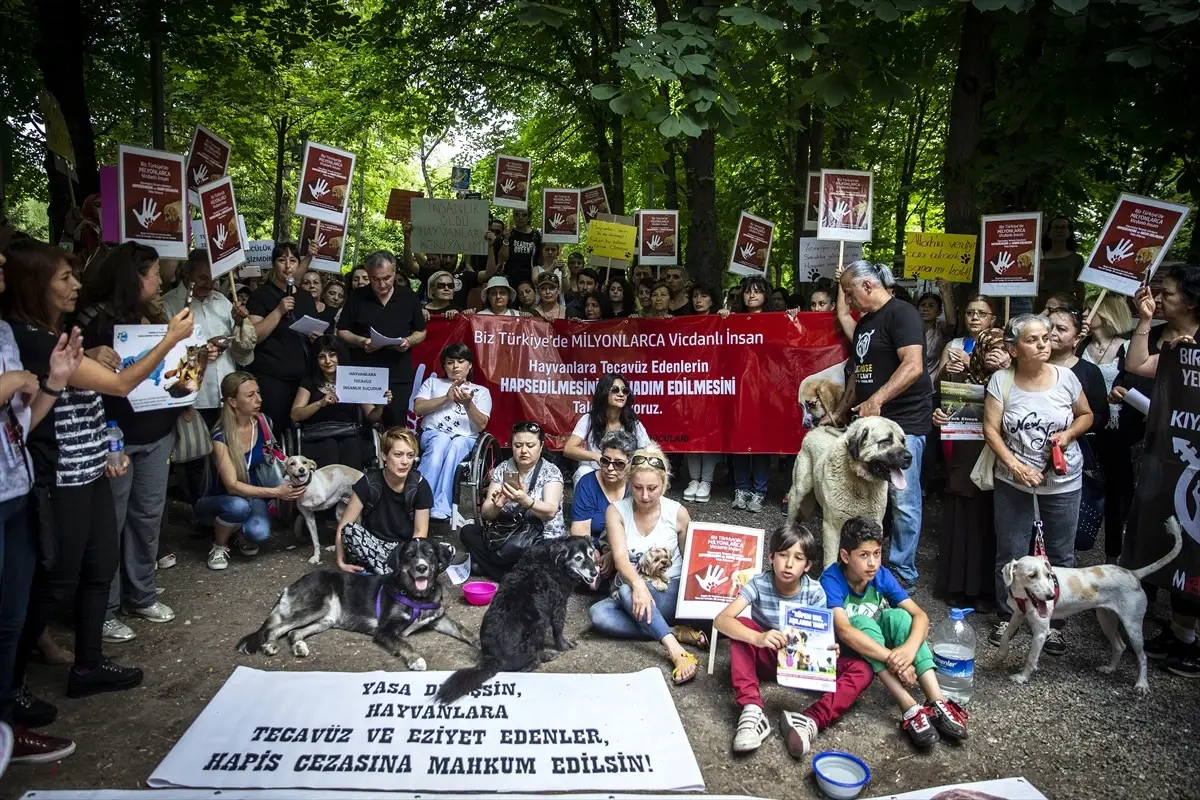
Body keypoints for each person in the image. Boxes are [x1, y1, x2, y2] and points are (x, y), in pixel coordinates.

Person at [2, 240, 193, 707]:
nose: (76, 285)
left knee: (98, 564)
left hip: (93, 465)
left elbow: (89, 400)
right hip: (58, 476)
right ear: (36, 285)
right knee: (57, 581)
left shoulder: (59, 331)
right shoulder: (29, 338)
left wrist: (109, 444)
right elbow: (120, 385)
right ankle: (13, 686)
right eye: (64, 278)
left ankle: (88, 663)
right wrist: (169, 339)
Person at [74, 243, 185, 643]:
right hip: (114, 439)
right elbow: (73, 376)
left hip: (157, 433)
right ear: (134, 276)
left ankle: (142, 594)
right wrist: (87, 352)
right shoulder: (93, 320)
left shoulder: (156, 316)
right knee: (109, 527)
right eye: (154, 273)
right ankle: (103, 609)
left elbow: (172, 369)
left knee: (147, 518)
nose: (160, 280)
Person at [0, 247, 84, 762]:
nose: (3, 265)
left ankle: (6, 727)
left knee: (11, 621)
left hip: (15, 488)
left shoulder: (5, 334)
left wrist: (54, 380)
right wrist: (8, 383)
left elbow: (20, 428)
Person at [714, 523, 874, 756]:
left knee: (862, 669)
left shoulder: (815, 591)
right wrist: (758, 637)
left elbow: (823, 636)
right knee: (742, 626)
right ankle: (752, 709)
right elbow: (721, 620)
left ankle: (810, 720)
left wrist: (829, 650)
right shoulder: (759, 584)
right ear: (771, 557)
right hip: (768, 657)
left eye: (798, 558)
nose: (789, 564)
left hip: (805, 665)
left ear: (807, 565)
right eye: (783, 555)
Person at [983, 314, 1092, 653]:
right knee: (1011, 552)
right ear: (1013, 349)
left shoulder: (1067, 378)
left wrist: (1068, 434)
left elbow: (1086, 415)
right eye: (1033, 340)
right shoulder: (1001, 380)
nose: (1044, 344)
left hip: (1062, 480)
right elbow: (991, 429)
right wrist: (1015, 467)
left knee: (1060, 552)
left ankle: (1054, 623)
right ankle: (1009, 614)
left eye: (1046, 337)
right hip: (1014, 481)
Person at [826, 261, 933, 588]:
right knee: (866, 496)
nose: (848, 299)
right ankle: (863, 563)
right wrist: (843, 409)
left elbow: (913, 366)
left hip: (904, 424)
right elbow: (862, 373)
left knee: (903, 500)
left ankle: (902, 573)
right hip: (870, 425)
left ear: (868, 286)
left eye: (849, 292)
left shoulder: (902, 314)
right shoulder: (865, 325)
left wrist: (878, 401)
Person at [822, 517, 969, 747]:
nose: (872, 563)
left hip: (876, 647)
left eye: (877, 553)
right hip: (848, 652)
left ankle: (937, 701)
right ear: (845, 556)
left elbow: (920, 616)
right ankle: (909, 707)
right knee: (861, 622)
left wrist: (908, 653)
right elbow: (845, 630)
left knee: (900, 617)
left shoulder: (880, 575)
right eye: (864, 555)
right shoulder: (831, 578)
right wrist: (895, 659)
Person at [1119, 265, 1200, 676]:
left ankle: (1191, 643)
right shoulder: (1174, 340)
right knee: (1171, 540)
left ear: (1190, 299)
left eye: (1166, 293)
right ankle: (1179, 633)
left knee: (1196, 549)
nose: (1159, 297)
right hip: (1169, 465)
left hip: (1196, 472)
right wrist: (1146, 320)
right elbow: (1137, 363)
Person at [587, 446, 706, 684]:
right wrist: (639, 586)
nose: (644, 495)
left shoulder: (678, 513)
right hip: (633, 594)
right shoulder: (616, 511)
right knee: (598, 614)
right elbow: (620, 558)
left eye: (652, 488)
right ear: (629, 482)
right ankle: (673, 631)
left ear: (664, 484)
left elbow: (694, 560)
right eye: (637, 487)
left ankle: (674, 650)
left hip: (668, 592)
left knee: (626, 591)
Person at [932, 296, 1006, 612]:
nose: (992, 354)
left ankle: (987, 589)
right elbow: (943, 400)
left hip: (997, 453)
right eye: (970, 311)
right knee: (961, 513)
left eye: (998, 350)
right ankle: (957, 584)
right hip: (964, 451)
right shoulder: (959, 370)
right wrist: (941, 416)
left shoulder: (1010, 378)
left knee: (989, 519)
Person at [198, 372, 306, 570]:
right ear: (232, 401)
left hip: (253, 495)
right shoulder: (220, 436)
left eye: (258, 393)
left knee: (259, 533)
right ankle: (219, 545)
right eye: (250, 395)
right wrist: (277, 492)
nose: (259, 399)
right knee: (237, 507)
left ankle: (238, 531)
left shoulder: (264, 423)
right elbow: (231, 486)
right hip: (220, 499)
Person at [459, 421, 566, 580]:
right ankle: (513, 575)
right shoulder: (503, 469)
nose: (524, 451)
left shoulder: (550, 471)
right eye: (518, 445)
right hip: (508, 535)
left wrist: (525, 500)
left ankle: (496, 571)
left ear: (541, 446)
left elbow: (551, 511)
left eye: (530, 445)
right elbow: (487, 514)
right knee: (468, 532)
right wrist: (496, 506)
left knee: (543, 552)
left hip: (541, 537)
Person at [336, 250, 427, 429]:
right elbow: (342, 331)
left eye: (387, 278)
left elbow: (421, 332)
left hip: (398, 371)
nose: (382, 284)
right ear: (369, 276)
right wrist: (362, 342)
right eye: (375, 279)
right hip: (365, 371)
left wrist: (408, 341)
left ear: (394, 273)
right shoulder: (357, 296)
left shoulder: (408, 297)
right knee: (363, 423)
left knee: (396, 422)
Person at [1077, 292, 1131, 563]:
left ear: (1108, 313)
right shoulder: (1080, 346)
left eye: (1091, 310)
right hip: (1084, 427)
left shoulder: (1127, 347)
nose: (1086, 314)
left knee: (1114, 492)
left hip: (1116, 429)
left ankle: (1113, 555)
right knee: (1084, 486)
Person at [335, 428, 433, 574]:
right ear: (384, 456)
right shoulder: (368, 482)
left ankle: (385, 573)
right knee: (350, 530)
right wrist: (340, 562)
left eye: (410, 455)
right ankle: (398, 576)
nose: (405, 461)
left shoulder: (420, 485)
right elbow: (343, 527)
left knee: (447, 550)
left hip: (404, 549)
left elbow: (420, 532)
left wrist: (410, 559)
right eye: (398, 455)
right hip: (372, 545)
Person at [413, 343, 492, 522]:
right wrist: (445, 398)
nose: (455, 366)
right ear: (444, 366)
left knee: (455, 445)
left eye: (460, 361)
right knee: (441, 441)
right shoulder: (433, 383)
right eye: (450, 362)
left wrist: (468, 404)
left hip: (465, 439)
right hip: (434, 434)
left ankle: (441, 506)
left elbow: (481, 425)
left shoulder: (481, 392)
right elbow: (418, 408)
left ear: (470, 365)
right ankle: (420, 501)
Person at [246, 242, 319, 434]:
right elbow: (253, 336)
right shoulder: (260, 295)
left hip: (303, 379)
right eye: (281, 260)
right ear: (273, 264)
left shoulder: (305, 297)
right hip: (272, 377)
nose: (288, 266)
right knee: (273, 430)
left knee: (301, 431)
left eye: (293, 260)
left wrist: (315, 338)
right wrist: (278, 311)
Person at [719, 275, 776, 512]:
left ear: (766, 295)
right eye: (747, 291)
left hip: (766, 391)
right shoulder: (735, 320)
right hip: (739, 390)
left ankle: (759, 492)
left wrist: (793, 318)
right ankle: (741, 490)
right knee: (740, 439)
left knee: (761, 441)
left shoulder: (776, 321)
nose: (752, 295)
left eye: (757, 291)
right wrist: (723, 320)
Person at [290, 336, 389, 470]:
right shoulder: (309, 382)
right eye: (321, 357)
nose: (328, 361)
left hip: (348, 434)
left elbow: (372, 415)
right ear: (316, 360)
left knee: (351, 449)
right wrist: (320, 403)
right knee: (329, 447)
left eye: (332, 355)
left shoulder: (353, 379)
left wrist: (381, 404)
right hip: (318, 435)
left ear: (340, 356)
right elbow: (295, 415)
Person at [569, 430, 635, 584]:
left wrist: (614, 555)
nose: (610, 468)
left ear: (630, 464)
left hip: (628, 547)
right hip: (596, 548)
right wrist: (592, 551)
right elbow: (579, 530)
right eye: (605, 461)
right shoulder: (587, 483)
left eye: (618, 463)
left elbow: (643, 528)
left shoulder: (636, 485)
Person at [564, 373, 651, 486]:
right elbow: (568, 449)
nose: (621, 394)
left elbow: (649, 451)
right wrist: (597, 457)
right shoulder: (589, 419)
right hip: (595, 474)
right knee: (583, 472)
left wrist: (630, 465)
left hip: (622, 475)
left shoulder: (633, 423)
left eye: (625, 391)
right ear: (604, 393)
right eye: (615, 390)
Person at [1046, 308, 1110, 432]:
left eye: (1061, 329)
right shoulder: (1030, 366)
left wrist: (1069, 429)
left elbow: (1100, 415)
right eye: (1049, 327)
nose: (1052, 333)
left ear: (1076, 339)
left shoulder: (1089, 371)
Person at [1038, 216, 1085, 311]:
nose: (1059, 230)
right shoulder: (1039, 258)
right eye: (1056, 227)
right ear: (1048, 233)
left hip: (1067, 305)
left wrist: (1080, 307)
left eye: (1063, 227)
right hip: (1042, 304)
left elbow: (1080, 288)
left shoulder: (1077, 259)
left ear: (1069, 232)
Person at [917, 279, 955, 382]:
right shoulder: (910, 328)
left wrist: (945, 293)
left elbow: (951, 323)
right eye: (922, 305)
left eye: (931, 306)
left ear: (939, 312)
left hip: (932, 386)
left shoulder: (940, 329)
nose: (925, 309)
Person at [503, 209, 541, 289]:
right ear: (513, 217)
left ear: (529, 217)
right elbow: (503, 258)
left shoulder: (535, 235)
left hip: (530, 278)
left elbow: (540, 258)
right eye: (517, 215)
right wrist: (506, 239)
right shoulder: (509, 233)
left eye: (524, 215)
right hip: (511, 277)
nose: (520, 218)